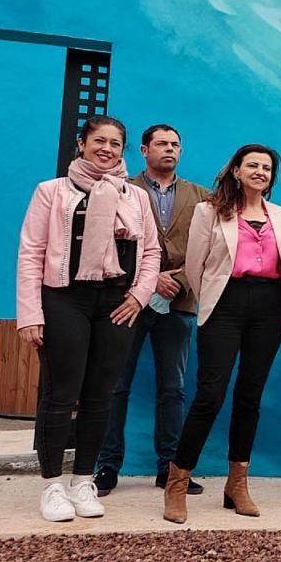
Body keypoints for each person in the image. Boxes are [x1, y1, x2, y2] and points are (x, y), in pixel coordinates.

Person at [17, 116, 161, 522]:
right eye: (100, 140)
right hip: (64, 299)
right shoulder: (52, 191)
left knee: (102, 395)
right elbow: (31, 252)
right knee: (60, 394)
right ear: (82, 143)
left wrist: (138, 295)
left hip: (116, 302)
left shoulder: (135, 196)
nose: (108, 149)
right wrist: (30, 314)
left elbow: (151, 253)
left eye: (116, 143)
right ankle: (52, 486)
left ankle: (83, 481)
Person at [164, 144, 281, 524]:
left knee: (250, 397)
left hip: (270, 307)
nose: (261, 172)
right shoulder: (208, 211)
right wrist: (215, 297)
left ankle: (236, 484)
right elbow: (194, 268)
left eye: (267, 168)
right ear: (237, 171)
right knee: (209, 396)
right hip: (224, 304)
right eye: (253, 166)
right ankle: (177, 483)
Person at [95, 124, 209, 498]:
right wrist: (148, 279)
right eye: (162, 144)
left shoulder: (202, 197)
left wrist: (177, 279)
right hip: (126, 301)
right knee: (115, 386)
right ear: (144, 150)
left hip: (179, 302)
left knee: (173, 389)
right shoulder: (120, 190)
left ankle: (170, 470)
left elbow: (209, 252)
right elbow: (105, 245)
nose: (170, 149)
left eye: (176, 144)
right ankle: (107, 468)